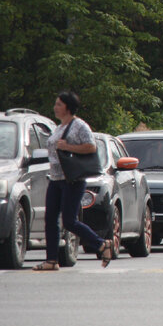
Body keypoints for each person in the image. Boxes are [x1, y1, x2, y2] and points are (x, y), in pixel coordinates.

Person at [33, 91, 113, 271]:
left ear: (68, 107)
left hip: (72, 180)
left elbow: (91, 147)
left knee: (69, 221)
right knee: (50, 219)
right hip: (55, 179)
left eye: (59, 104)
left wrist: (67, 146)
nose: (55, 107)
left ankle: (102, 244)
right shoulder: (60, 127)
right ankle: (51, 260)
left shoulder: (79, 126)